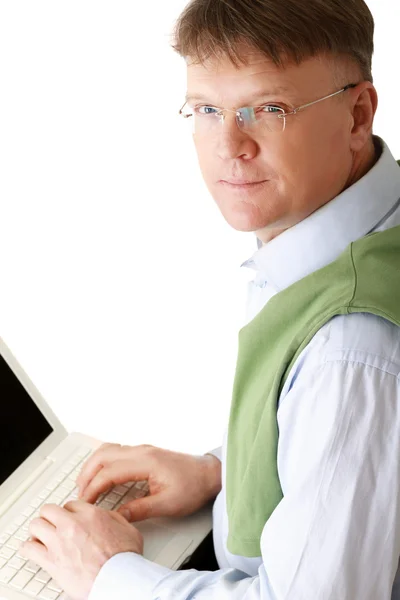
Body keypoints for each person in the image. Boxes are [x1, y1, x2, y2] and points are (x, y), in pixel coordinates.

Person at [19, 0, 400, 598]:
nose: (230, 145)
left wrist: (108, 574)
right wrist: (221, 473)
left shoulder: (349, 347)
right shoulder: (353, 235)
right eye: (207, 110)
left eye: (270, 108)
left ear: (358, 114)